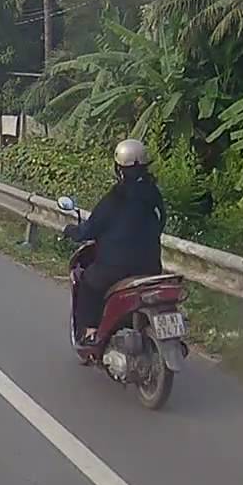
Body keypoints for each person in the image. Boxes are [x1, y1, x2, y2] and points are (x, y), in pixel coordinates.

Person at [62, 139, 166, 346]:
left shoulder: (115, 198)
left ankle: (91, 331)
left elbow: (89, 229)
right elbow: (161, 221)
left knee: (87, 284)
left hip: (115, 269)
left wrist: (71, 231)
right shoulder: (153, 194)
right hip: (150, 267)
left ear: (119, 168)